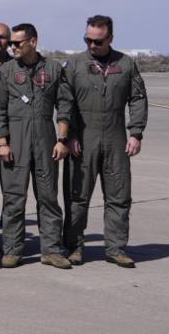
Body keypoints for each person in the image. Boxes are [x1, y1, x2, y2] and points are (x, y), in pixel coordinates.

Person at [59, 14, 148, 267]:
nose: (92, 45)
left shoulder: (126, 64)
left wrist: (136, 132)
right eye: (87, 40)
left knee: (119, 195)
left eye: (97, 41)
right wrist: (69, 135)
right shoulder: (74, 64)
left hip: (115, 135)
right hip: (83, 138)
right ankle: (75, 247)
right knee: (77, 196)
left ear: (110, 38)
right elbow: (66, 102)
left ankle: (116, 248)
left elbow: (138, 98)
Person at [0, 23, 72, 269]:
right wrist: (2, 142)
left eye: (17, 43)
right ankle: (13, 250)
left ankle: (51, 250)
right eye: (11, 43)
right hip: (15, 140)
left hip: (45, 138)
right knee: (14, 198)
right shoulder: (6, 71)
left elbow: (65, 105)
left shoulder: (54, 69)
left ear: (33, 42)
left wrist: (62, 139)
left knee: (48, 197)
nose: (11, 47)